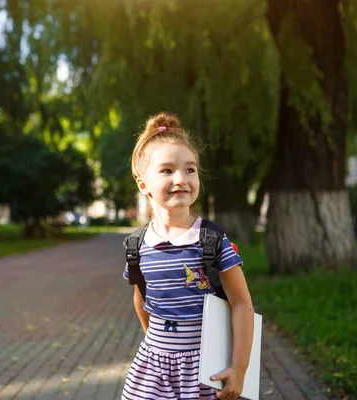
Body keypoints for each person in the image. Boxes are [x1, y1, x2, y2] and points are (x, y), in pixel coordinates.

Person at [122, 112, 255, 400]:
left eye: (190, 169)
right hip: (154, 370)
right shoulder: (137, 245)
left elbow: (242, 303)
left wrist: (239, 368)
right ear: (143, 184)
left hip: (205, 370)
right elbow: (141, 297)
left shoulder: (211, 240)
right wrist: (156, 344)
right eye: (167, 171)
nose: (181, 178)